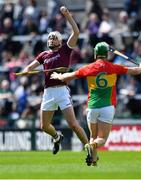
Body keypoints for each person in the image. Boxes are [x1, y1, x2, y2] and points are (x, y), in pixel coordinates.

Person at [51, 42, 141, 166]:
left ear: (95, 54)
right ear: (106, 54)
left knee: (93, 135)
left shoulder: (88, 68)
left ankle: (93, 160)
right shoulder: (113, 67)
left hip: (92, 107)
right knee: (101, 139)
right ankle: (91, 146)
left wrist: (59, 76)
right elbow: (136, 71)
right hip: (107, 106)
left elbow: (69, 76)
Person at [22, 6, 92, 164]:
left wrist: (67, 15)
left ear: (60, 41)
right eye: (49, 38)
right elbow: (30, 67)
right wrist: (26, 72)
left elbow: (76, 32)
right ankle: (57, 136)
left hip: (61, 91)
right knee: (45, 126)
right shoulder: (44, 55)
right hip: (48, 92)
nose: (51, 40)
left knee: (73, 124)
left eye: (54, 38)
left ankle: (89, 147)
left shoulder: (66, 50)